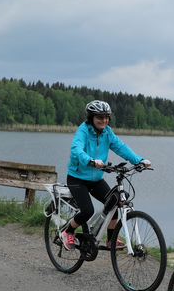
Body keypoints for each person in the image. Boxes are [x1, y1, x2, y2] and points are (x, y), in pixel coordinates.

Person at [61, 100, 152, 251]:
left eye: (106, 117)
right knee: (87, 210)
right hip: (77, 178)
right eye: (100, 117)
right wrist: (90, 160)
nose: (104, 120)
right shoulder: (83, 131)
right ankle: (68, 232)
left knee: (114, 203)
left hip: (96, 180)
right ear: (91, 117)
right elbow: (76, 149)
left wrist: (139, 160)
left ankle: (111, 240)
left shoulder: (107, 132)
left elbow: (121, 148)